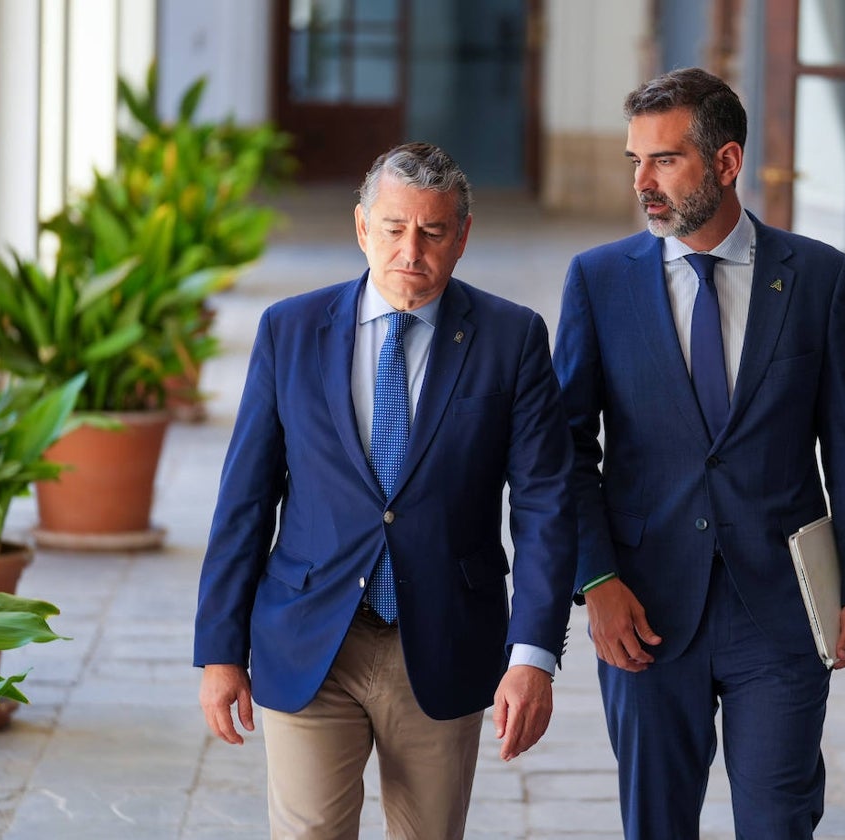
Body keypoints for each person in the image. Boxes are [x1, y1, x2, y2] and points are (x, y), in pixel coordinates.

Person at [194, 142, 576, 840]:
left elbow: (546, 506)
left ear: (462, 237)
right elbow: (246, 498)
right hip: (310, 636)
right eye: (395, 228)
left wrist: (532, 656)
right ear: (363, 227)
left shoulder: (511, 338)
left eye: (433, 232)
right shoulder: (291, 331)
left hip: (443, 641)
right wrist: (220, 648)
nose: (412, 251)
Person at [552, 68, 845, 839]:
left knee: (778, 821)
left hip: (777, 611)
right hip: (644, 610)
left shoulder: (818, 279)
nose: (643, 182)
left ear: (727, 163)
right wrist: (596, 580)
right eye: (634, 161)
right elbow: (565, 450)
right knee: (657, 824)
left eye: (665, 160)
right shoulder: (599, 282)